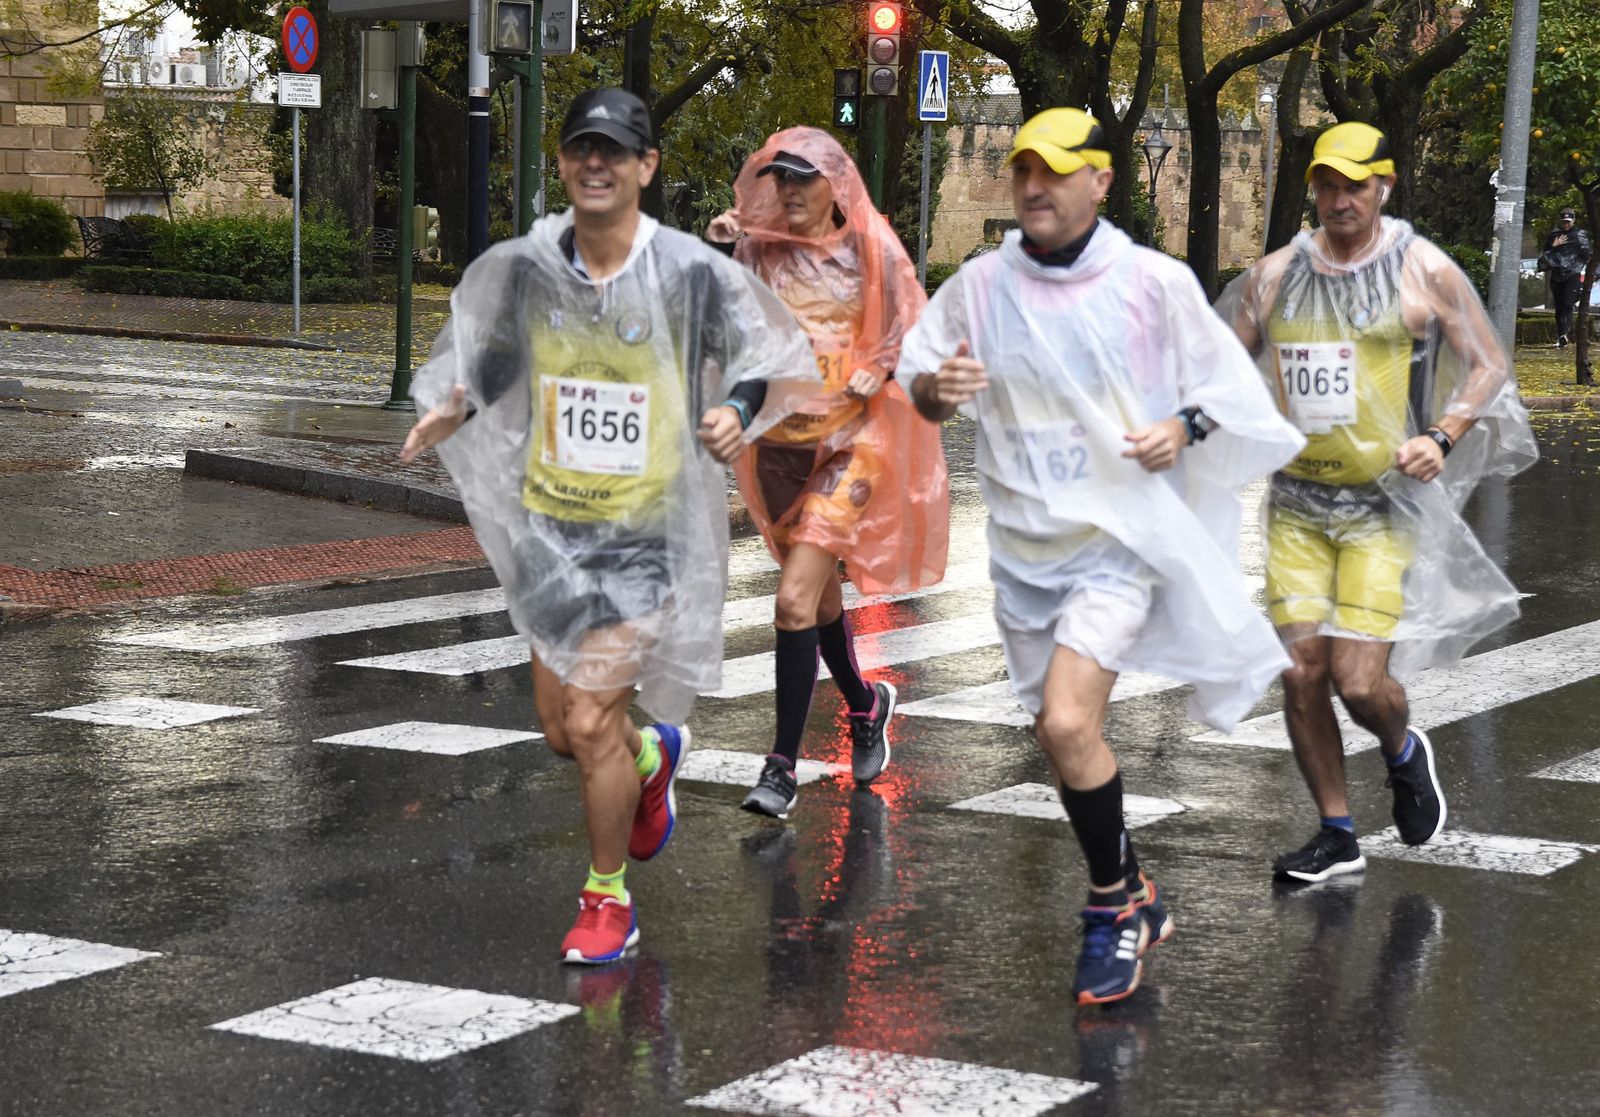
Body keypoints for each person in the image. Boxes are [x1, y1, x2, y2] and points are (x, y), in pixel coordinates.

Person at [400, 88, 819, 965]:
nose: (598, 164)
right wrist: (461, 403)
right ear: (563, 164)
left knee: (590, 720)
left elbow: (765, 355)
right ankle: (654, 757)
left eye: (616, 151)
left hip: (644, 537)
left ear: (646, 167)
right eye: (582, 149)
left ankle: (607, 900)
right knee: (565, 731)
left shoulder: (687, 274)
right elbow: (502, 355)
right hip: (552, 533)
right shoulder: (535, 267)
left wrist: (737, 410)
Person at [899, 108, 1304, 1005]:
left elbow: (1227, 388)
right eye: (1021, 172)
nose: (1034, 186)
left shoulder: (1151, 282)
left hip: (1119, 542)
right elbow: (920, 388)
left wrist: (1181, 426)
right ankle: (1135, 887)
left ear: (1100, 181)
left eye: (1053, 170)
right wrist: (936, 388)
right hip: (1023, 551)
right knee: (1057, 730)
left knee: (1071, 722)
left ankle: (1113, 909)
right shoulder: (977, 287)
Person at [1223, 122, 1537, 886]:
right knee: (1300, 673)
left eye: (1352, 187)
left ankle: (1402, 750)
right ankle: (1337, 831)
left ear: (1383, 187)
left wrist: (1442, 433)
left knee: (1359, 683)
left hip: (1381, 508)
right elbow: (1213, 364)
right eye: (1326, 186)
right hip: (1296, 505)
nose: (1337, 201)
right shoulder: (1274, 277)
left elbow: (1488, 362)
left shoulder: (1420, 269)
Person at [705, 128, 948, 819]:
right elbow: (717, 316)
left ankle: (781, 764)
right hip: (780, 446)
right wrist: (720, 249)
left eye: (803, 178)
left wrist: (883, 362)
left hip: (852, 449)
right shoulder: (759, 249)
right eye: (779, 178)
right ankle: (867, 703)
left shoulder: (869, 248)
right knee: (815, 601)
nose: (788, 191)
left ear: (834, 185)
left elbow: (914, 328)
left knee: (790, 601)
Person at [1538, 206, 1591, 348]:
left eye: (1568, 221)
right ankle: (1562, 335)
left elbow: (1588, 254)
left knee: (1568, 304)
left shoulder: (1580, 235)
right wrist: (1554, 246)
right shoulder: (1554, 235)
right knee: (1560, 307)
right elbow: (1544, 257)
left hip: (1573, 274)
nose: (1566, 224)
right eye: (1564, 222)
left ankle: (1565, 334)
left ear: (1573, 220)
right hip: (1557, 275)